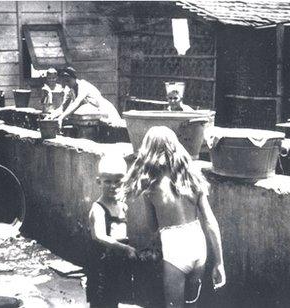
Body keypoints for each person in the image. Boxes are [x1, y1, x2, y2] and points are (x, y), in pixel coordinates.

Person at [123, 127, 226, 308]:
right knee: (191, 304)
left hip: (175, 248)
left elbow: (152, 226)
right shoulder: (192, 179)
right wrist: (219, 263)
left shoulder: (151, 186)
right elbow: (211, 222)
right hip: (198, 246)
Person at [86, 154, 137, 308]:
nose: (113, 186)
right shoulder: (98, 208)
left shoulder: (121, 206)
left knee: (114, 300)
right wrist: (126, 248)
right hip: (101, 266)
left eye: (117, 181)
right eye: (107, 181)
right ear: (98, 182)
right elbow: (99, 236)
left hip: (117, 265)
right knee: (101, 301)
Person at [47, 67, 121, 127]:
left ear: (74, 78)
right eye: (65, 81)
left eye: (68, 81)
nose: (67, 84)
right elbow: (63, 107)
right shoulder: (71, 90)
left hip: (105, 111)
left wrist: (61, 117)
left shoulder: (83, 85)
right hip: (93, 119)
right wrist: (53, 115)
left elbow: (76, 102)